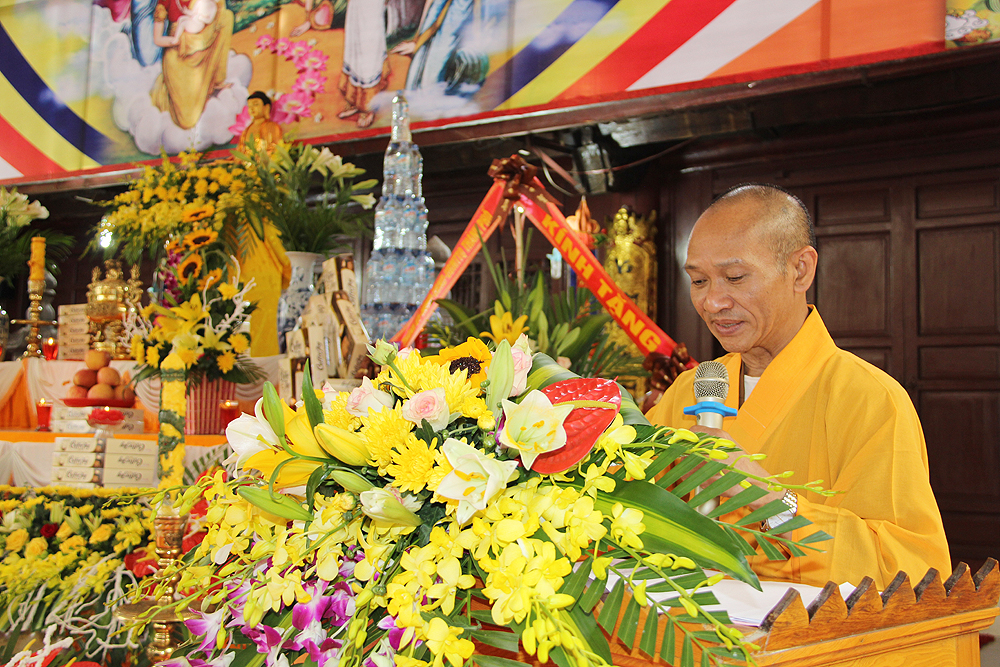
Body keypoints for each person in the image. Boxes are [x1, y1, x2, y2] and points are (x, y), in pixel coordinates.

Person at [646, 184, 950, 589]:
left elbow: (909, 570)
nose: (712, 302)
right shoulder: (689, 392)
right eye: (699, 281)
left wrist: (768, 496)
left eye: (735, 277)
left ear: (800, 270)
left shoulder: (870, 399)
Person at [150, 0, 233, 129]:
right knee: (187, 121)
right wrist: (182, 41)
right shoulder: (165, 2)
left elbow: (218, 16)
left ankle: (215, 82)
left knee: (227, 16)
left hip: (204, 46)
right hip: (179, 53)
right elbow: (157, 39)